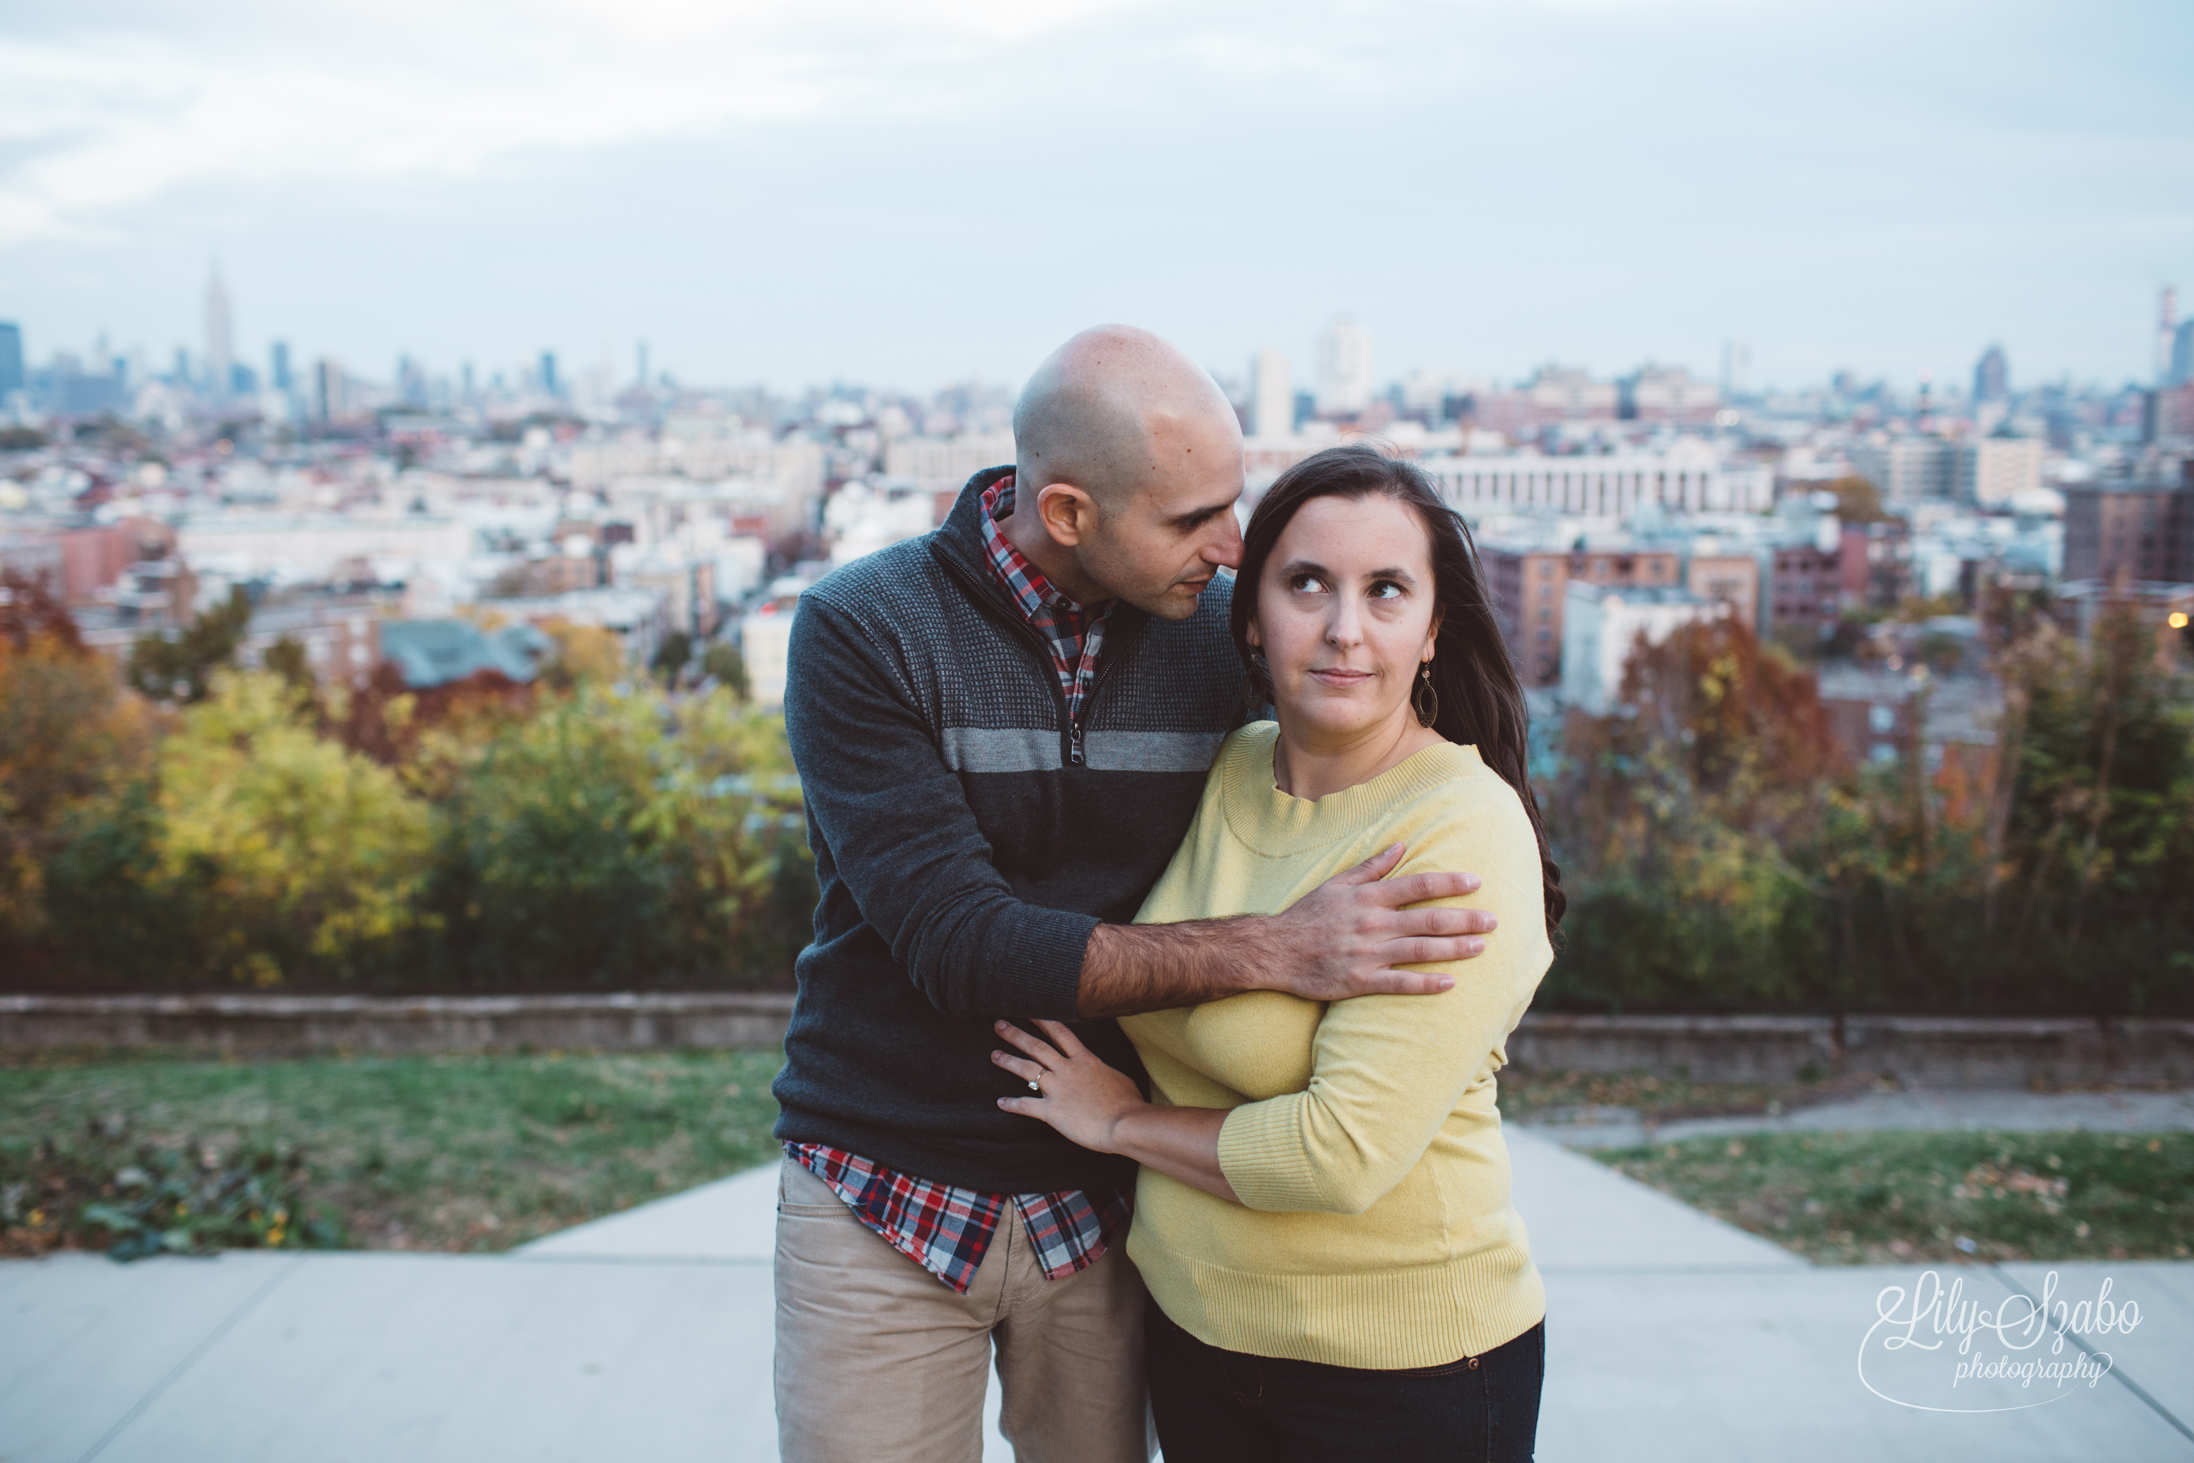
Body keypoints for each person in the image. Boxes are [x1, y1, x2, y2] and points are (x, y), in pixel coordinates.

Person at [773, 328, 1500, 1463]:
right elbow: (961, 946)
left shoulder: (1218, 625)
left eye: (1234, 502)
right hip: (885, 1185)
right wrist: (1275, 949)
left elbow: (1365, 732)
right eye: (1188, 518)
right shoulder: (866, 628)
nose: (1231, 547)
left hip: (1117, 1201)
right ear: (1067, 513)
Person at [990, 444, 1563, 1462]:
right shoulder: (1231, 768)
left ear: (1432, 630)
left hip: (1401, 1372)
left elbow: (1337, 1153)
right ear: (1248, 616)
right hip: (1199, 1338)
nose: (1345, 629)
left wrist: (1120, 1120)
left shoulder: (1458, 829)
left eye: (1386, 590)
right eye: (1308, 583)